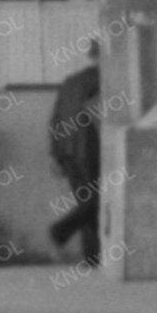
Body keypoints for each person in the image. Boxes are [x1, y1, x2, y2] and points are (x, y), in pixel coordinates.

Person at [45, 38, 103, 267]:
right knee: (96, 201)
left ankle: (92, 256)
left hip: (68, 151)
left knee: (85, 202)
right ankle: (59, 231)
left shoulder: (69, 82)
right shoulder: (105, 81)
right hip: (91, 149)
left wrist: (55, 154)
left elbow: (55, 119)